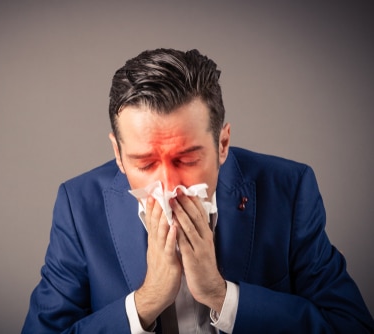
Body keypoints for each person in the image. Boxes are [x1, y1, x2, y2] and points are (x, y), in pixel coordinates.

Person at [22, 48, 374, 333]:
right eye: (144, 164)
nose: (169, 187)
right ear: (118, 154)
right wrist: (145, 303)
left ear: (222, 143)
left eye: (187, 158)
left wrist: (223, 297)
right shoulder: (78, 206)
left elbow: (350, 326)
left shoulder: (289, 190)